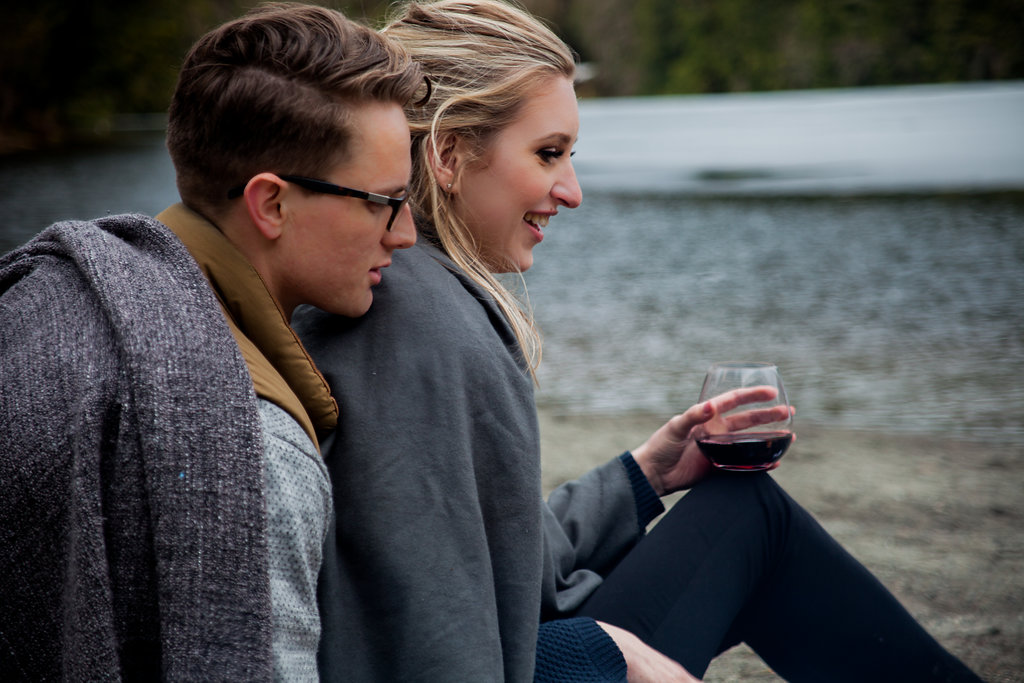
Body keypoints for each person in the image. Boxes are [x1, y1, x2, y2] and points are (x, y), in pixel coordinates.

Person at [293, 1, 984, 681]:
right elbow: (425, 634)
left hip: (514, 646)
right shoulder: (410, 319)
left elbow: (493, 563)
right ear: (447, 152)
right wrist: (600, 652)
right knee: (756, 523)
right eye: (549, 153)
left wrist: (646, 473)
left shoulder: (412, 288)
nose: (573, 191)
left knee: (742, 512)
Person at [0, 3, 423, 679]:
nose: (402, 235)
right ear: (272, 204)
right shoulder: (254, 447)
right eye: (383, 201)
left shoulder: (45, 304)